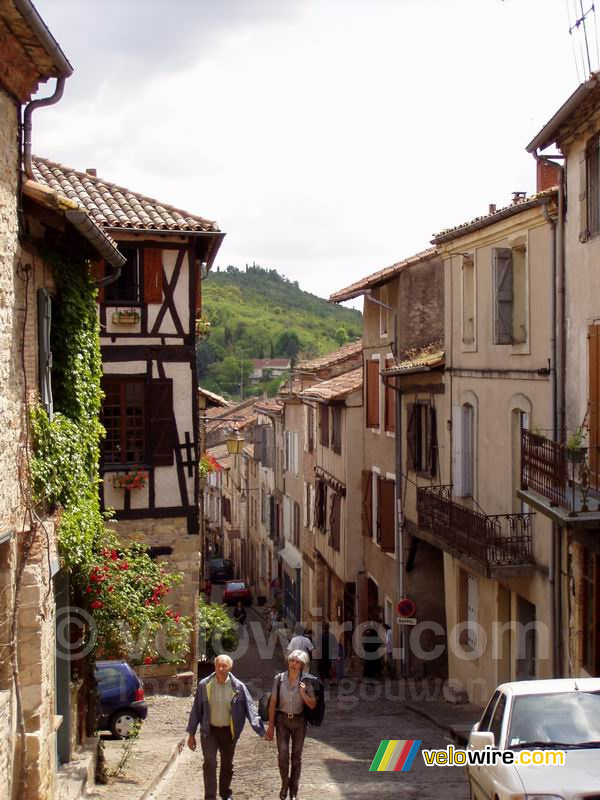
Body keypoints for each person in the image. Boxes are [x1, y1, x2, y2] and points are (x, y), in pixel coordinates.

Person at [186, 654, 265, 800]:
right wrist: (191, 734)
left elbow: (251, 709)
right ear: (214, 666)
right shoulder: (205, 685)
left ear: (230, 667)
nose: (221, 669)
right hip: (209, 731)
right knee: (210, 761)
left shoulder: (238, 687)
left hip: (229, 732)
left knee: (227, 765)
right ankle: (210, 797)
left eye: (224, 666)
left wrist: (261, 730)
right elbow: (196, 710)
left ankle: (225, 793)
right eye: (218, 665)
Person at [265, 650, 316, 800]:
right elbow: (273, 702)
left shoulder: (306, 681)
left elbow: (312, 704)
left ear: (302, 665)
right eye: (292, 661)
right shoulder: (279, 679)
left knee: (296, 758)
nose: (294, 664)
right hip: (282, 721)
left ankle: (294, 791)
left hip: (299, 722)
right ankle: (285, 784)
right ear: (288, 662)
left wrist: (303, 693)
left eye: (297, 662)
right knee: (282, 755)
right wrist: (270, 726)